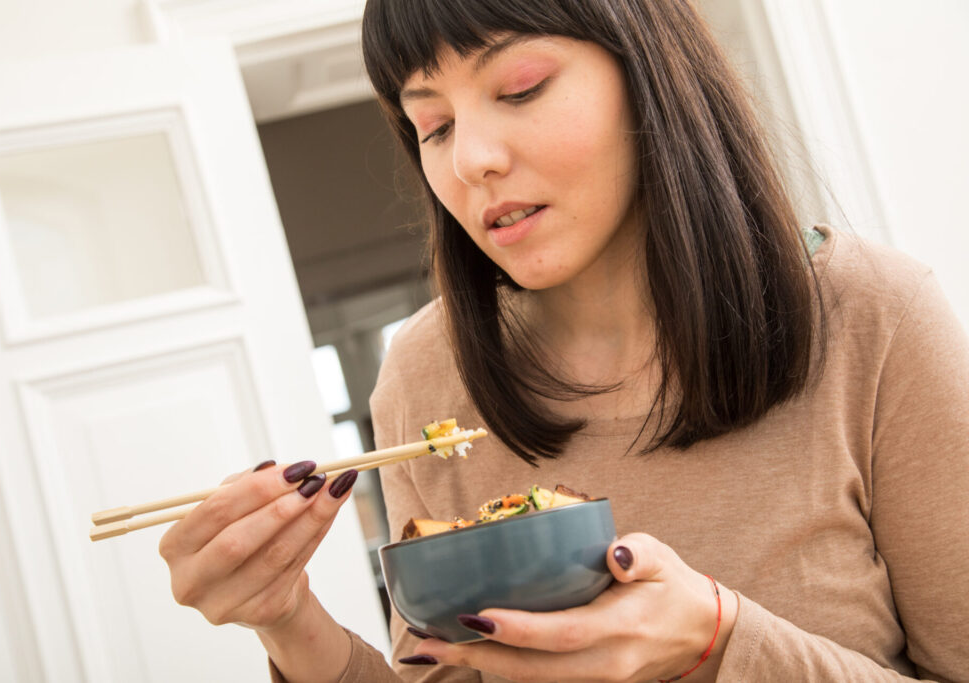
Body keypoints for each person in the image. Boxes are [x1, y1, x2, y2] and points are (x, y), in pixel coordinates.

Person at [158, 0, 969, 681]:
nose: (472, 159)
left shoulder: (877, 318)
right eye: (433, 126)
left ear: (649, 71)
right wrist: (288, 619)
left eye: (521, 87)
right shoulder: (425, 378)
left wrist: (719, 638)